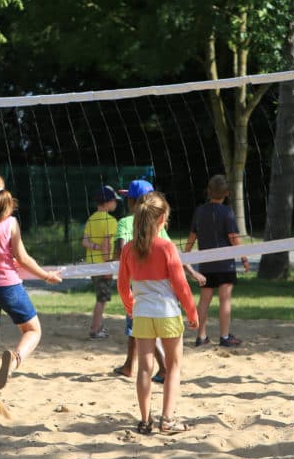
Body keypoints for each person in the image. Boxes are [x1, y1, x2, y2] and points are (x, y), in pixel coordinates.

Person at [0, 170, 62, 416]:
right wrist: (46, 275)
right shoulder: (10, 222)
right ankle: (16, 359)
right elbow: (22, 258)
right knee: (33, 330)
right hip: (8, 286)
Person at [117, 191, 199, 434]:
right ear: (162, 218)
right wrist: (192, 313)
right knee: (173, 367)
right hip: (167, 313)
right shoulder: (166, 247)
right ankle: (167, 420)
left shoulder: (129, 249)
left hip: (142, 315)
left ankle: (144, 421)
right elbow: (181, 285)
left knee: (144, 369)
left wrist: (131, 307)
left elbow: (122, 286)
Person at [112, 180, 205, 381]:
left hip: (137, 287)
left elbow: (121, 250)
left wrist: (116, 257)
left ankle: (153, 366)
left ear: (130, 202)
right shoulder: (158, 223)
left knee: (138, 329)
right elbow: (172, 254)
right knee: (146, 329)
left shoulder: (125, 222)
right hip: (164, 299)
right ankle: (134, 364)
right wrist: (191, 272)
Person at [185, 174, 250, 348]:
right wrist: (244, 258)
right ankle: (225, 336)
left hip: (206, 263)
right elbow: (234, 237)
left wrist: (186, 255)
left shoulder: (200, 211)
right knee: (225, 300)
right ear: (227, 193)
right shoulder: (227, 212)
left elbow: (192, 235)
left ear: (208, 191)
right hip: (225, 263)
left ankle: (201, 337)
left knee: (204, 300)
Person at [82, 185, 119, 340]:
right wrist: (107, 267)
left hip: (91, 264)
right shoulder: (110, 220)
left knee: (100, 297)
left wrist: (96, 248)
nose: (116, 204)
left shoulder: (92, 218)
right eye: (114, 201)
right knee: (102, 299)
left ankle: (98, 327)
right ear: (108, 202)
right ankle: (95, 330)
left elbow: (85, 242)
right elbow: (107, 245)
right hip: (103, 265)